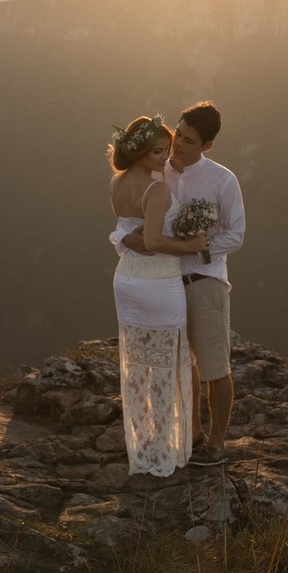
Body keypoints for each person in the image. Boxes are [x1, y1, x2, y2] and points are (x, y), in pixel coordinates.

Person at [114, 101, 246, 467]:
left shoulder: (223, 180)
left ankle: (217, 445)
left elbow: (236, 235)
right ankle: (190, 434)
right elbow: (133, 217)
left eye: (189, 140)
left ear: (207, 146)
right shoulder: (158, 173)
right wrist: (129, 240)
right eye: (179, 133)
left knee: (215, 367)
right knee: (177, 363)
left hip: (205, 280)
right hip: (163, 281)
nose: (178, 145)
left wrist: (197, 249)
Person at [108, 114, 210, 477]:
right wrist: (191, 245)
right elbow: (152, 242)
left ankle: (143, 445)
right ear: (137, 152)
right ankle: (168, 449)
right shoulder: (158, 190)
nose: (163, 157)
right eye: (156, 151)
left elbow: (127, 233)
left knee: (137, 366)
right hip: (158, 284)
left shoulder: (118, 183)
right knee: (169, 363)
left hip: (126, 282)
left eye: (165, 150)